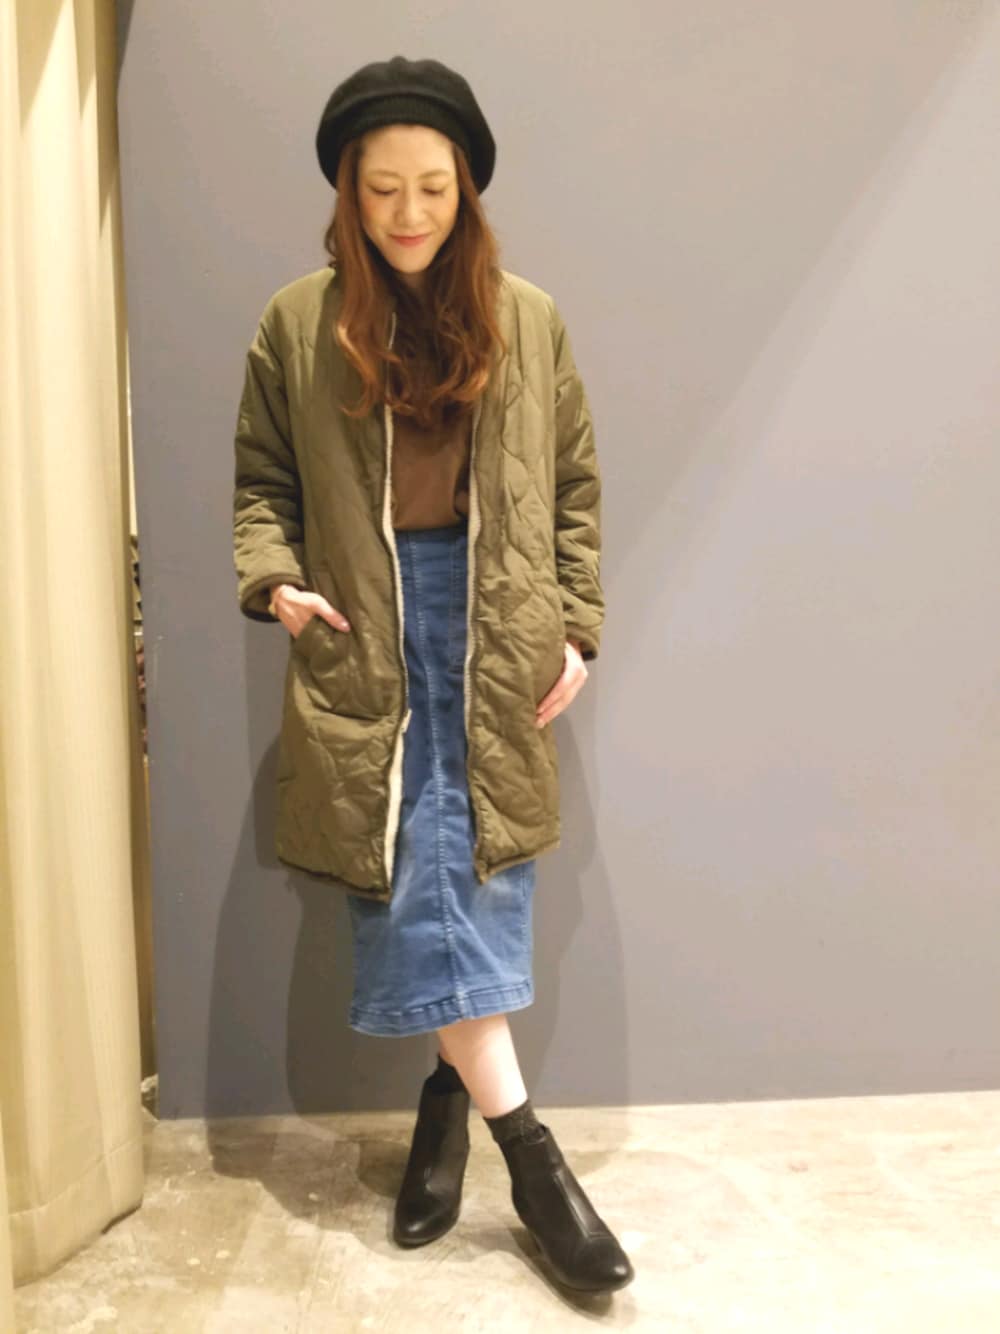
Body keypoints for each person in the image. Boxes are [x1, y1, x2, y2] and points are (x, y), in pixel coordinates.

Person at [232, 55, 632, 1293]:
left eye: (433, 188)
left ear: (468, 191)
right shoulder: (298, 322)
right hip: (365, 621)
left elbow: (572, 484)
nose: (408, 213)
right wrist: (276, 580)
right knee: (412, 870)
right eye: (382, 188)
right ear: (346, 192)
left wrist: (576, 624)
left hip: (495, 621)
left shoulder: (528, 317)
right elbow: (262, 483)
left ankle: (447, 1106)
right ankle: (530, 1156)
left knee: (479, 868)